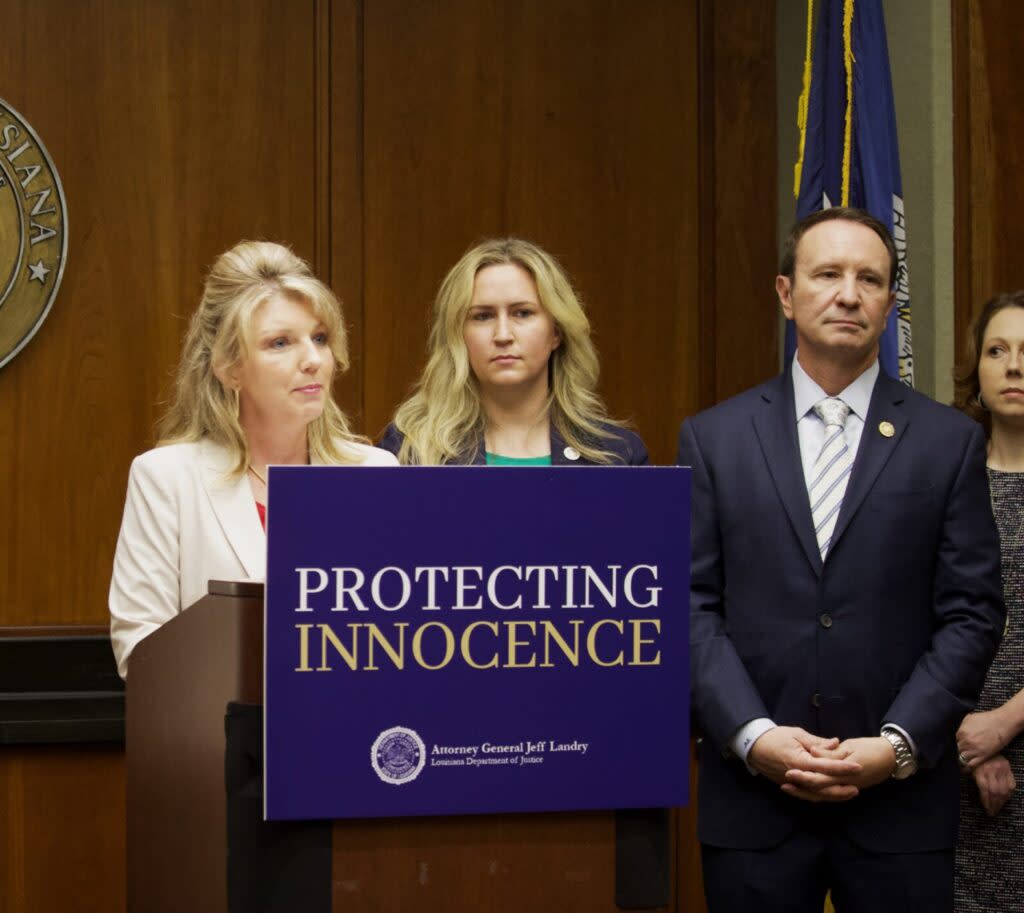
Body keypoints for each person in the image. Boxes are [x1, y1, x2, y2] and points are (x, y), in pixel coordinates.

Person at [678, 207, 1004, 913]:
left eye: (870, 279)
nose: (849, 293)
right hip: (753, 807)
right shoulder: (714, 438)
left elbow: (972, 612)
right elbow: (689, 605)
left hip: (900, 809)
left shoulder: (947, 443)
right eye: (827, 274)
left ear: (890, 303)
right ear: (786, 292)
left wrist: (896, 745)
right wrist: (753, 734)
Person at [109, 241, 397, 678]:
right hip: (224, 737)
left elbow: (397, 635)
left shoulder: (375, 473)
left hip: (348, 733)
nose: (313, 360)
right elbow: (140, 650)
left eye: (319, 338)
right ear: (229, 367)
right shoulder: (166, 478)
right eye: (280, 342)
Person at [379, 237, 646, 466]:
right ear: (458, 335)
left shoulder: (617, 454)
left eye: (522, 313)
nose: (503, 335)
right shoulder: (411, 450)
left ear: (556, 331)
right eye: (483, 316)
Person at [952, 291, 1024, 912]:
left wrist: (1005, 723)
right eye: (997, 350)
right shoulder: (942, 474)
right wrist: (969, 735)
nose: (1013, 366)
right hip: (951, 752)